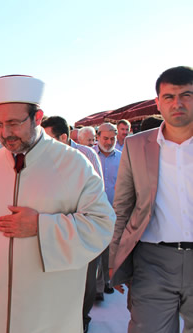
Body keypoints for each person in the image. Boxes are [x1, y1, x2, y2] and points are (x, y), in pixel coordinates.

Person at [0, 75, 115, 333]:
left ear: (37, 117)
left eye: (13, 123)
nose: (5, 133)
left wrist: (40, 226)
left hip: (50, 308)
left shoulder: (74, 164)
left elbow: (102, 224)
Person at [110, 66, 193, 333]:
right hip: (153, 263)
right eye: (169, 96)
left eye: (186, 95)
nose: (177, 103)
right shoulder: (136, 145)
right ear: (157, 103)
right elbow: (123, 207)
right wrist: (115, 260)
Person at [41, 115, 104, 332]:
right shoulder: (43, 157)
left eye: (49, 139)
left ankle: (82, 322)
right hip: (55, 227)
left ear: (64, 137)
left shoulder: (86, 155)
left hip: (83, 226)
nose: (44, 144)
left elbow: (97, 196)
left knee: (85, 281)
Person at [93, 123, 121, 301]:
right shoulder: (88, 155)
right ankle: (97, 288)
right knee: (95, 250)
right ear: (98, 137)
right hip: (94, 213)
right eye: (105, 138)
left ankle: (106, 283)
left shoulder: (123, 157)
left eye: (113, 139)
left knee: (110, 250)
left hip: (114, 212)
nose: (109, 142)